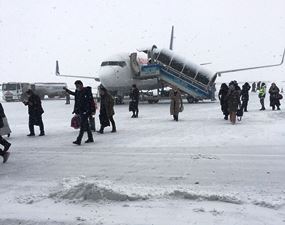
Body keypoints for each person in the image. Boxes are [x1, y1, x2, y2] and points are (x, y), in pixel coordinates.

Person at [64, 80, 95, 145]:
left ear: (81, 85)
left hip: (86, 111)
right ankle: (90, 138)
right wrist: (67, 90)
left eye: (77, 85)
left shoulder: (86, 91)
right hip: (81, 110)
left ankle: (79, 140)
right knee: (86, 125)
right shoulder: (78, 91)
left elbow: (91, 101)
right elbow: (74, 94)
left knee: (82, 125)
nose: (77, 87)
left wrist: (92, 110)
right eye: (76, 86)